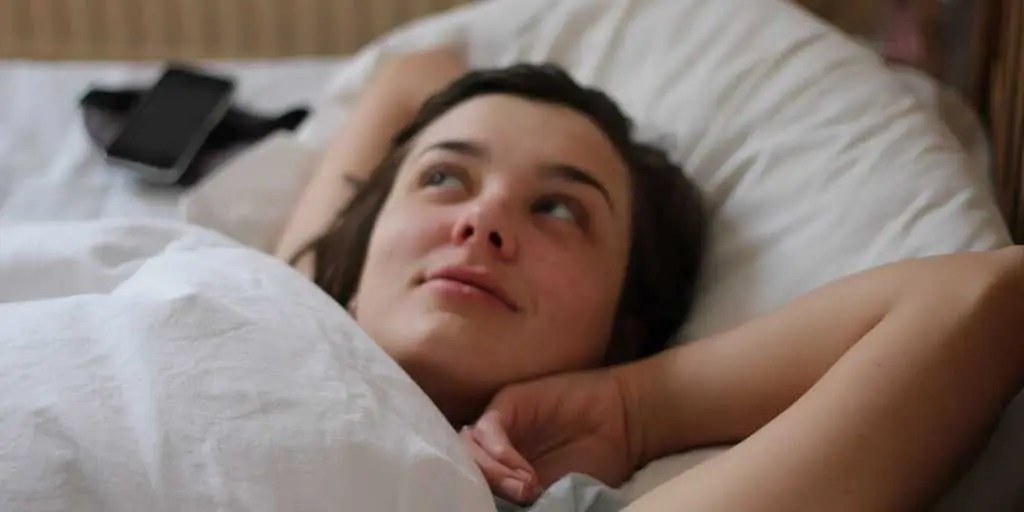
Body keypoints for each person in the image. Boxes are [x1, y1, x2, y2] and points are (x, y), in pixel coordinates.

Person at [276, 47, 1024, 511]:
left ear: (624, 325)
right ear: (358, 247)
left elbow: (986, 300)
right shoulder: (274, 298)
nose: (484, 218)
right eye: (444, 176)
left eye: (558, 209)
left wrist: (635, 407)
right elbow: (416, 71)